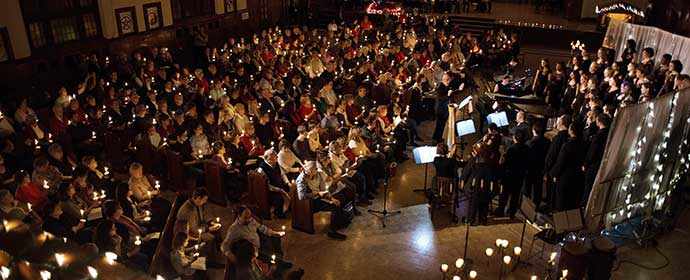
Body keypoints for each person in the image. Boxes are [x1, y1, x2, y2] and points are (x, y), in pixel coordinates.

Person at [221, 206, 291, 268]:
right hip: (253, 252)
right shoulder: (234, 229)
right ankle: (279, 265)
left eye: (250, 216)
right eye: (245, 218)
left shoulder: (251, 220)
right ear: (239, 216)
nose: (249, 219)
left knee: (276, 239)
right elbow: (224, 246)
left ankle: (279, 261)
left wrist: (275, 233)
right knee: (270, 255)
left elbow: (262, 228)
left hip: (259, 241)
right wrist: (232, 257)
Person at [296, 161, 348, 240]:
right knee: (334, 206)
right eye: (311, 170)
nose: (314, 171)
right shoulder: (301, 179)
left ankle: (338, 223)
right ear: (306, 169)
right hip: (310, 203)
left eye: (315, 169)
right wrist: (317, 193)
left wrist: (331, 199)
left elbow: (324, 189)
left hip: (319, 198)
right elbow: (302, 196)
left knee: (337, 202)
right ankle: (332, 231)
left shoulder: (319, 174)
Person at [549, 123, 586, 211]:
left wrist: (554, 174)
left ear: (571, 131)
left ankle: (562, 222)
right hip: (578, 176)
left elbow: (561, 162)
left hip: (565, 177)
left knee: (561, 203)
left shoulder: (568, 145)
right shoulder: (585, 143)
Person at [496, 129, 529, 218]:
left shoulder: (511, 149)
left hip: (509, 175)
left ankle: (500, 211)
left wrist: (503, 155)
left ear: (514, 138)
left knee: (504, 195)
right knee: (515, 195)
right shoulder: (527, 148)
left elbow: (505, 163)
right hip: (520, 176)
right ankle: (511, 213)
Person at [582, 114, 610, 206]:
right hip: (603, 164)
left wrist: (585, 164)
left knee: (588, 187)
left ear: (599, 122)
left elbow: (592, 152)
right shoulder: (610, 134)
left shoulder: (598, 136)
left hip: (594, 165)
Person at [257, 149, 292, 218]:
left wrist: (287, 182)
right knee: (279, 199)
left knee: (291, 190)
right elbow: (266, 185)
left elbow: (282, 174)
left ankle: (288, 208)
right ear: (268, 158)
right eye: (275, 156)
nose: (277, 157)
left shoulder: (275, 163)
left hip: (279, 185)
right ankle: (279, 213)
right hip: (270, 190)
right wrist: (278, 189)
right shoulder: (261, 169)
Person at [524, 122, 550, 209]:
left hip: (530, 169)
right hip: (541, 168)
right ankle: (536, 205)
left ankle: (526, 207)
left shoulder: (530, 143)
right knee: (538, 189)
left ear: (534, 131)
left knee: (527, 188)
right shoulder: (547, 142)